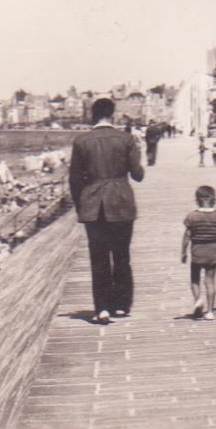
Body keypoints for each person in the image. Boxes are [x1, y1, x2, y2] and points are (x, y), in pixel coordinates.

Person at [68, 97, 145, 324]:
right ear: (113, 115)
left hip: (93, 204)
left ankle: (102, 307)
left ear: (93, 115)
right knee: (122, 254)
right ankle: (121, 305)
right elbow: (138, 175)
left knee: (98, 257)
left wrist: (80, 204)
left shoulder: (81, 141)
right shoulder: (126, 139)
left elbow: (74, 178)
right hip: (121, 201)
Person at [181, 185, 216, 320]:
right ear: (214, 200)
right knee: (210, 281)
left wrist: (183, 252)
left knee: (195, 278)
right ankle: (210, 311)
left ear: (197, 200)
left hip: (197, 251)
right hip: (212, 251)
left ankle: (198, 300)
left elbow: (187, 236)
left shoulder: (192, 216)